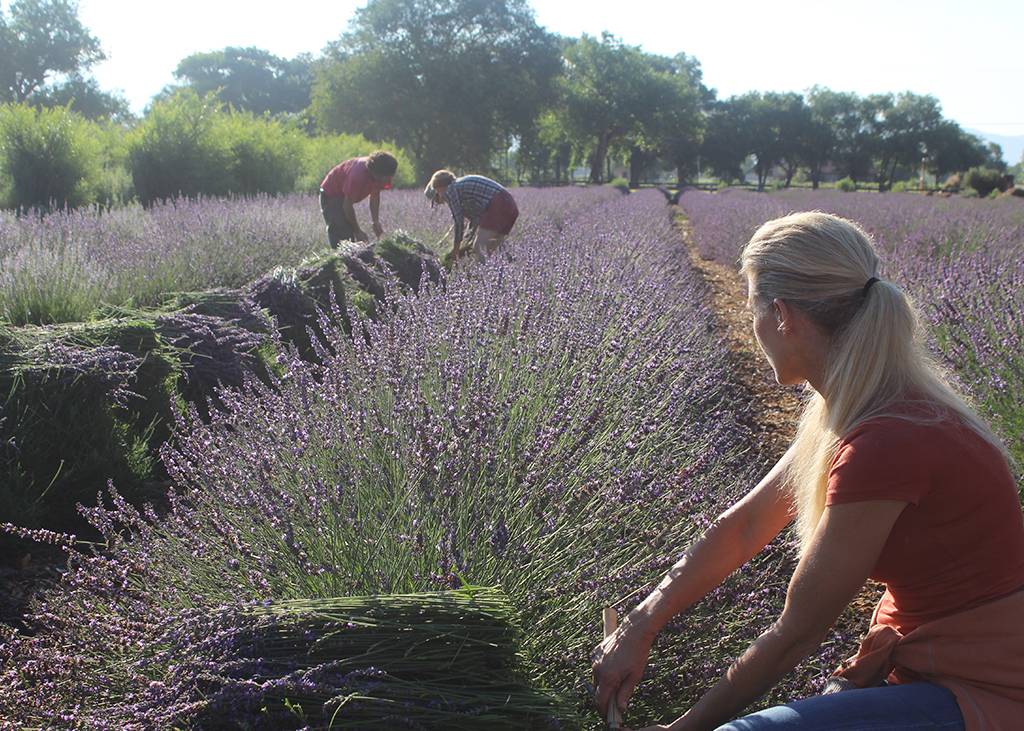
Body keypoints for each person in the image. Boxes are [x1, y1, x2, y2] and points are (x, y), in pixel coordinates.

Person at [592, 211, 1024, 730]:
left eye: (750, 305)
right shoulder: (859, 406)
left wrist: (684, 729)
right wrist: (641, 624)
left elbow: (797, 633)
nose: (752, 327)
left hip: (987, 685)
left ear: (782, 315)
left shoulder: (888, 441)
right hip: (932, 657)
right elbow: (744, 528)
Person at [424, 170, 519, 261]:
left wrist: (455, 250)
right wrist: (445, 242)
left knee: (479, 247)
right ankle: (509, 267)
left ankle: (483, 276)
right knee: (493, 247)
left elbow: (459, 222)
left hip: (498, 204)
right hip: (510, 205)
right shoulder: (461, 188)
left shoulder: (450, 190)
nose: (440, 201)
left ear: (440, 188)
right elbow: (470, 221)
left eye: (437, 196)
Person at [319, 150, 397, 247]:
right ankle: (341, 259)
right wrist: (357, 231)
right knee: (343, 233)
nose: (388, 180)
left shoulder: (382, 175)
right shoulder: (358, 176)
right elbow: (347, 206)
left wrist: (375, 222)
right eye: (387, 177)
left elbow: (375, 196)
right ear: (376, 173)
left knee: (349, 234)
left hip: (344, 195)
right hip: (332, 194)